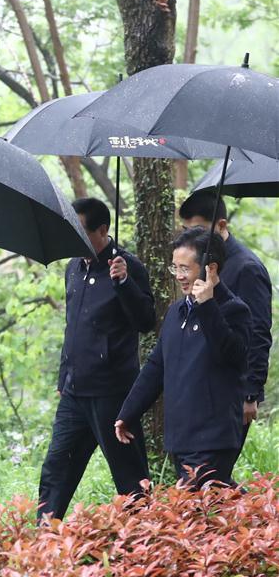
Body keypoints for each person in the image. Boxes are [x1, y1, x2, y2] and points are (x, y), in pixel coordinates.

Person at [38, 197, 155, 521]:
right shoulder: (73, 268)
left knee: (129, 473)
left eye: (81, 230)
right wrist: (64, 377)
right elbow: (71, 328)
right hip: (75, 391)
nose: (73, 238)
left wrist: (123, 283)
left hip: (113, 392)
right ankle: (44, 540)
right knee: (57, 466)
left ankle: (148, 541)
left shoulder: (127, 267)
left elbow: (145, 322)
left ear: (102, 230)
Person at [115, 227, 251, 487]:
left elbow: (233, 356)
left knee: (202, 509)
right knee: (206, 511)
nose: (178, 276)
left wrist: (208, 305)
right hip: (181, 436)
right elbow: (157, 367)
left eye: (185, 269)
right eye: (174, 268)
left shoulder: (233, 310)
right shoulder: (177, 311)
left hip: (214, 435)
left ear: (210, 269)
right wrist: (128, 412)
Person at [178, 191, 272, 461]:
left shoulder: (246, 268)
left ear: (221, 226)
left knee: (211, 475)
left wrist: (250, 393)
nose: (191, 237)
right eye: (186, 230)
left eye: (198, 229)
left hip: (233, 392)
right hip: (201, 386)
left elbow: (258, 332)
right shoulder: (200, 265)